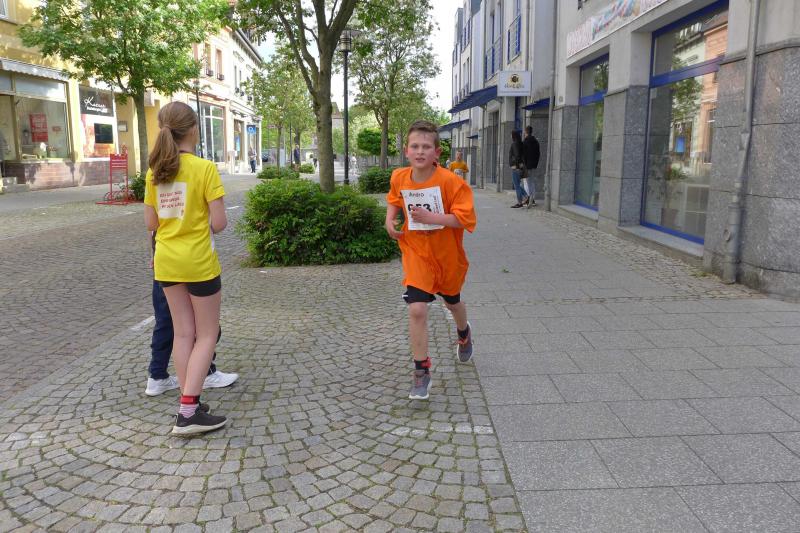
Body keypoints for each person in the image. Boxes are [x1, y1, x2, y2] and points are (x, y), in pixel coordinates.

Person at [144, 101, 228, 436]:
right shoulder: (204, 169)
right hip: (198, 262)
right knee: (206, 334)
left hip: (166, 261)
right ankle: (188, 412)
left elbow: (151, 223)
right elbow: (219, 223)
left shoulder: (155, 172)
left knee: (182, 333)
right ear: (194, 129)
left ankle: (188, 401)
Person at [385, 120, 477, 401]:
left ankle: (464, 332)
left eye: (426, 147)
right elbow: (395, 199)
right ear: (406, 150)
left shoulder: (452, 182)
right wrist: (389, 220)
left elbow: (465, 219)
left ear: (437, 152)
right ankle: (421, 370)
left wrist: (432, 217)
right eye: (415, 146)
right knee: (417, 310)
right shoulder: (399, 177)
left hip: (447, 256)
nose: (420, 151)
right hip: (417, 253)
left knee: (452, 303)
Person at [145, 273, 239, 397]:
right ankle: (204, 375)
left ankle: (159, 375)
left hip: (165, 266)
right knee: (205, 331)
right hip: (194, 267)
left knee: (175, 327)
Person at [522, 126, 541, 207]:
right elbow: (538, 154)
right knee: (532, 182)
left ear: (526, 132)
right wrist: (535, 163)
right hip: (533, 165)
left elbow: (523, 155)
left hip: (526, 165)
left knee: (527, 182)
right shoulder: (536, 141)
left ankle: (529, 199)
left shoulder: (525, 142)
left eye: (524, 132)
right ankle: (532, 199)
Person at [509, 130, 528, 208]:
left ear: (513, 136)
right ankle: (526, 197)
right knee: (518, 185)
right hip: (520, 167)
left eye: (511, 135)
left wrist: (516, 166)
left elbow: (517, 156)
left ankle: (520, 202)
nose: (510, 136)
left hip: (516, 167)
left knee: (516, 185)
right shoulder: (521, 143)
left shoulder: (514, 144)